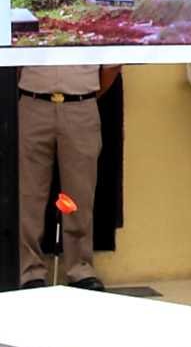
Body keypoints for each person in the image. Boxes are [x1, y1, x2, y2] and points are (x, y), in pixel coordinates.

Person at [18, 64, 120, 290]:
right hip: (33, 104)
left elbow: (111, 66)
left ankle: (80, 269)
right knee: (29, 194)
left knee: (80, 194)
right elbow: (13, 63)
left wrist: (85, 95)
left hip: (81, 106)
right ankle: (29, 271)